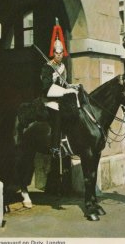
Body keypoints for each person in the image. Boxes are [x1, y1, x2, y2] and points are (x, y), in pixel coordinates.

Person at [41, 19, 78, 157]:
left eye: (61, 53)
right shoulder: (47, 67)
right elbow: (46, 87)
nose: (59, 55)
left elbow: (65, 84)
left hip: (61, 99)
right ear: (53, 53)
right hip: (51, 100)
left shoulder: (63, 67)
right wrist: (54, 79)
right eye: (57, 53)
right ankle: (55, 147)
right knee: (57, 118)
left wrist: (72, 86)